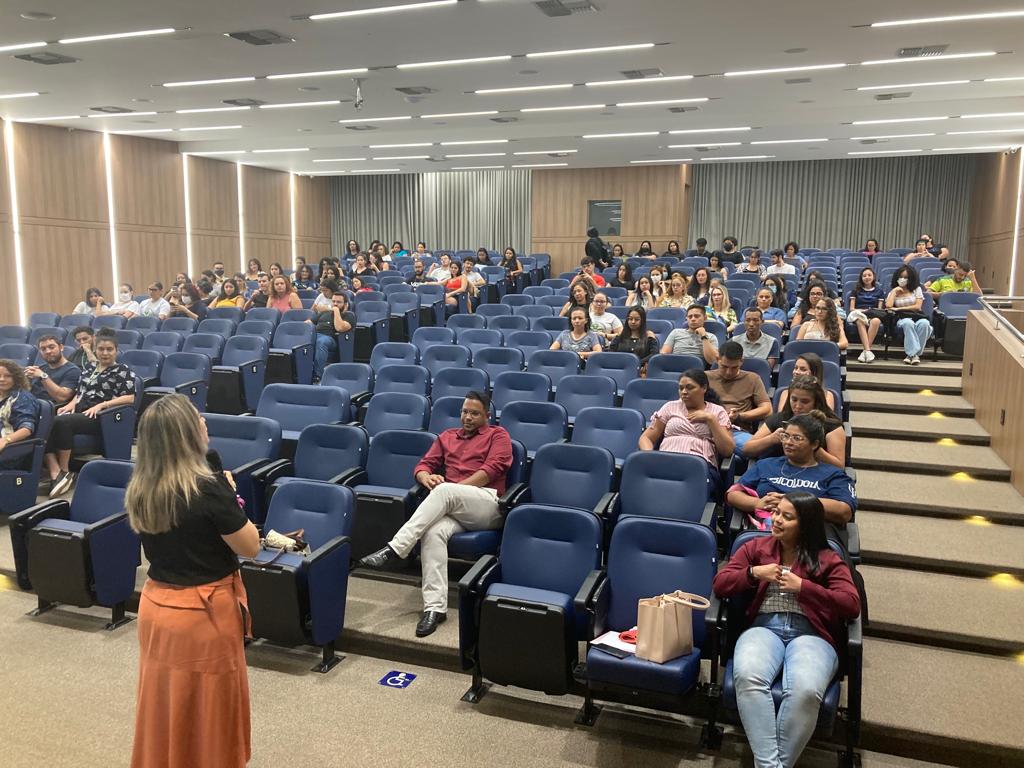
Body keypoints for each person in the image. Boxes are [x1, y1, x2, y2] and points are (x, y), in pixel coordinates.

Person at [127, 395, 259, 768]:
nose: (204, 422)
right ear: (186, 433)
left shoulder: (142, 485)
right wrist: (229, 494)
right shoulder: (208, 487)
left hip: (156, 607)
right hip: (202, 615)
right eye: (197, 418)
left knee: (166, 706)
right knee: (208, 717)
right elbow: (250, 546)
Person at [713, 491, 860, 768]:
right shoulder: (755, 548)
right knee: (748, 676)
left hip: (812, 634)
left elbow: (851, 604)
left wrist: (804, 587)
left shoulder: (828, 559)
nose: (776, 520)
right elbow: (721, 584)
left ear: (806, 524)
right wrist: (754, 573)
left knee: (805, 690)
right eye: (776, 512)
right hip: (764, 628)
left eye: (787, 517)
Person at [358, 392, 513, 637]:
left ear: (487, 415)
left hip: (487, 504)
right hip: (453, 506)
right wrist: (425, 478)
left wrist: (453, 490)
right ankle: (435, 608)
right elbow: (423, 465)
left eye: (474, 413)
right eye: (465, 412)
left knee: (445, 491)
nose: (468, 417)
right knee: (432, 532)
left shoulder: (498, 435)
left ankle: (395, 549)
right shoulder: (447, 436)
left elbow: (491, 470)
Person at [727, 413, 856, 534]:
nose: (788, 442)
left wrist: (794, 502)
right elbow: (733, 494)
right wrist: (757, 503)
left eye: (796, 438)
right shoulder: (766, 465)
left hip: (809, 537)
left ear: (814, 444)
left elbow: (844, 511)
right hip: (763, 534)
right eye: (785, 436)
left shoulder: (833, 474)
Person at [45, 330, 137, 496]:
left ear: (116, 351)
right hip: (82, 412)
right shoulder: (89, 368)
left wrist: (102, 405)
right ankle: (55, 469)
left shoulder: (122, 370)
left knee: (62, 422)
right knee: (47, 421)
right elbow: (80, 392)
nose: (105, 353)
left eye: (109, 349)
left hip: (104, 417)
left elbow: (130, 398)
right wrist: (70, 404)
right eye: (101, 349)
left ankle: (65, 471)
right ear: (95, 350)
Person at [638, 369, 734, 496]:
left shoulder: (717, 411)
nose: (684, 392)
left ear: (704, 388)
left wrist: (710, 419)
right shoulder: (670, 407)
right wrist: (651, 457)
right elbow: (646, 438)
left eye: (690, 388)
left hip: (698, 466)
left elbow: (727, 450)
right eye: (681, 388)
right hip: (666, 461)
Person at [745, 375, 846, 469]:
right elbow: (747, 449)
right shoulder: (779, 418)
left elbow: (839, 466)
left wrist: (812, 447)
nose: (797, 406)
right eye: (794, 400)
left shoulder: (831, 426)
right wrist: (771, 439)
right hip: (777, 472)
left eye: (805, 402)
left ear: (816, 402)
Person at [708, 341, 771, 452]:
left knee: (759, 449)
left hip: (735, 430)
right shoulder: (704, 378)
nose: (728, 372)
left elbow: (767, 409)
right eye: (724, 367)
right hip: (706, 428)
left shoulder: (752, 378)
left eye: (734, 367)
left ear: (741, 361)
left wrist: (739, 416)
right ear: (717, 359)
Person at [886, 266, 932, 365]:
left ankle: (911, 355)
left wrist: (898, 308)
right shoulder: (894, 291)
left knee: (925, 323)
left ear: (911, 278)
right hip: (901, 318)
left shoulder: (917, 289)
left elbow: (917, 307)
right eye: (901, 277)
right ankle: (914, 355)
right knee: (908, 323)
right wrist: (894, 291)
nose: (903, 279)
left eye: (906, 277)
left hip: (917, 316)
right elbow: (889, 306)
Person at [0, 359, 38, 470]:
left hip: (10, 449)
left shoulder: (23, 398)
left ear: (16, 378)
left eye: (7, 376)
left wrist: (5, 440)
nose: (2, 379)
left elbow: (26, 429)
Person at [311, 289, 355, 383]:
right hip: (314, 335)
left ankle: (317, 375)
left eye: (338, 302)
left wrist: (336, 311)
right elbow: (308, 323)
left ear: (345, 304)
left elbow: (339, 328)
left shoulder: (348, 315)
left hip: (330, 339)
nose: (335, 304)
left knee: (321, 342)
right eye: (333, 301)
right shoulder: (324, 313)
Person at [26, 335, 81, 407]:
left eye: (51, 347)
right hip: (31, 405)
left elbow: (62, 397)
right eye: (43, 349)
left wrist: (43, 376)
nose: (48, 351)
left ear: (61, 347)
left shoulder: (73, 370)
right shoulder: (40, 369)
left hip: (50, 408)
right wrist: (25, 379)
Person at [846, 267, 886, 363]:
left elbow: (879, 310)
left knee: (876, 321)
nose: (867, 277)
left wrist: (870, 312)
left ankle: (866, 351)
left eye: (869, 275)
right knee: (860, 321)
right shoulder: (855, 291)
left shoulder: (879, 291)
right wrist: (864, 311)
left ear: (873, 277)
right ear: (861, 278)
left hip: (873, 314)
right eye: (864, 276)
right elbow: (852, 308)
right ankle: (868, 350)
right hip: (859, 314)